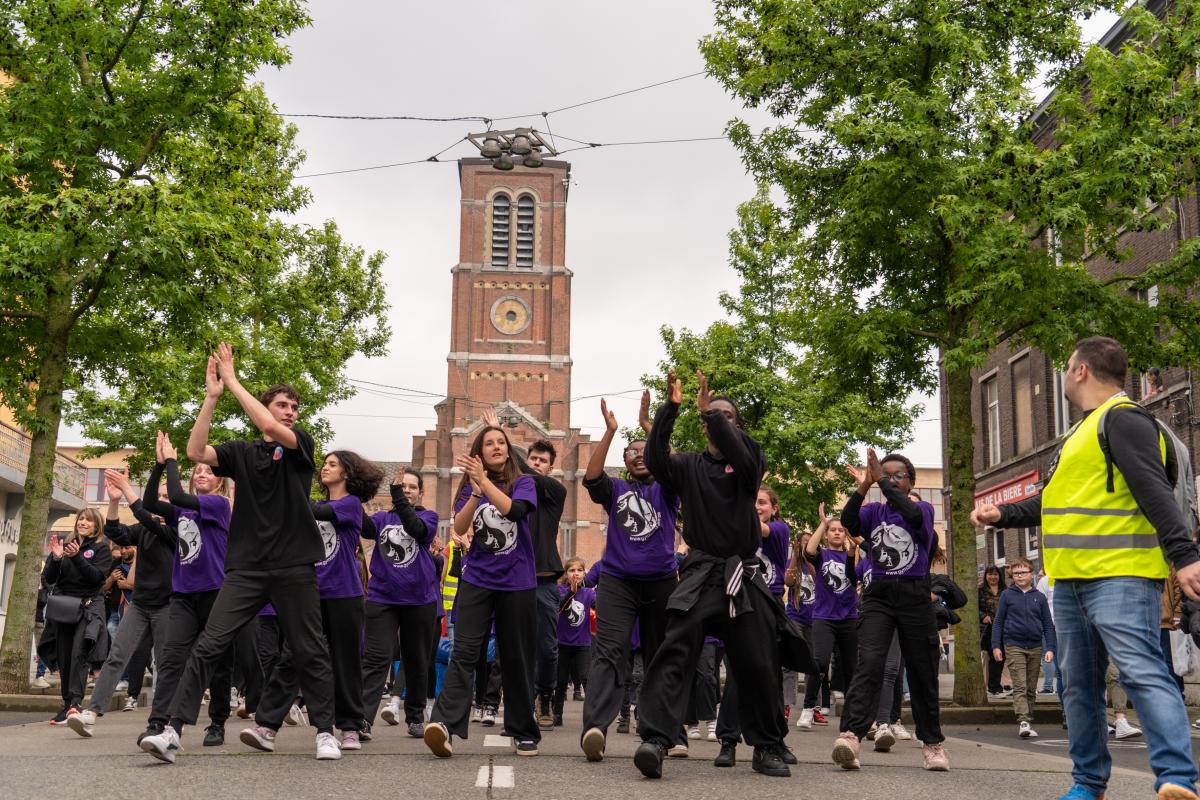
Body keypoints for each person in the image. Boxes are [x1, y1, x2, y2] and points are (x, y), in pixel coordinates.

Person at [972, 336, 1200, 800]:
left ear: (1080, 370)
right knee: (1078, 687)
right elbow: (1053, 502)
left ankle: (1177, 778)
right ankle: (1089, 784)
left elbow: (1153, 489)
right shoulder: (1080, 433)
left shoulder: (1124, 419)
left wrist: (1185, 557)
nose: (1063, 374)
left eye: (1067, 366)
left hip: (1120, 575)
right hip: (1072, 581)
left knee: (1141, 671)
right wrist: (1004, 514)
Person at [140, 343, 341, 763]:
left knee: (309, 648)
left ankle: (325, 732)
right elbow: (196, 452)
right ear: (267, 406)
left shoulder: (300, 445)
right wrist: (212, 397)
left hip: (294, 566)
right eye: (282, 405)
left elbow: (266, 423)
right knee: (209, 644)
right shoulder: (242, 452)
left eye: (294, 407)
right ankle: (173, 732)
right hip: (247, 569)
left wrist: (232, 380)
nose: (290, 412)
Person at [634, 370, 796, 780]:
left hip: (742, 575)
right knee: (674, 652)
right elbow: (657, 461)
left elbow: (742, 456)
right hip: (701, 573)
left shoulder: (749, 461)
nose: (717, 419)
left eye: (726, 416)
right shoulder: (689, 465)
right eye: (711, 415)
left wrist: (711, 413)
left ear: (736, 426)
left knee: (758, 661)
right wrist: (670, 410)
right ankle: (657, 739)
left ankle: (766, 745)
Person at [243, 450, 382, 752]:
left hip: (344, 594)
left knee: (346, 662)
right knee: (292, 657)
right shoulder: (315, 505)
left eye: (332, 464)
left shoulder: (351, 504)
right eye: (324, 464)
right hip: (308, 595)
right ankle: (266, 726)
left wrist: (288, 487)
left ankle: (350, 728)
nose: (325, 468)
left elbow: (314, 511)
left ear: (347, 473)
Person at [423, 423, 541, 757]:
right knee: (463, 653)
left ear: (508, 449)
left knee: (515, 657)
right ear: (479, 452)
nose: (496, 447)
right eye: (489, 443)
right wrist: (475, 491)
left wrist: (485, 483)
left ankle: (523, 730)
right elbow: (460, 527)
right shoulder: (470, 487)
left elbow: (514, 511)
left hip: (517, 581)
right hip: (477, 579)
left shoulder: (524, 482)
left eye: (501, 442)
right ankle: (444, 725)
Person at [578, 394, 681, 763]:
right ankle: (595, 728)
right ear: (623, 461)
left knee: (657, 656)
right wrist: (609, 432)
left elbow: (675, 464)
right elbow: (591, 477)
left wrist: (651, 429)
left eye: (644, 451)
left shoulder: (667, 488)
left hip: (660, 582)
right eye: (631, 452)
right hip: (617, 582)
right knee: (608, 652)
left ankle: (655, 736)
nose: (638, 455)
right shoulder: (617, 490)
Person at [834, 448, 949, 772]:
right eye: (886, 475)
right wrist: (863, 485)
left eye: (899, 475)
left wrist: (880, 480)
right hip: (879, 598)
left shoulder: (923, 509)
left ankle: (932, 744)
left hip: (915, 597)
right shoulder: (874, 512)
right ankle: (851, 736)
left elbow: (912, 516)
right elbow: (848, 521)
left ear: (911, 481)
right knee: (869, 663)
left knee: (923, 670)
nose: (892, 480)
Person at [138, 431, 235, 748]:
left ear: (219, 480)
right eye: (198, 471)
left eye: (209, 471)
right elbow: (150, 503)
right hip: (183, 595)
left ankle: (217, 723)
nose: (202, 474)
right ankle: (157, 722)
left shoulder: (219, 504)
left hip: (215, 593)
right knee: (171, 658)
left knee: (218, 662)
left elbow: (177, 496)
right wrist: (159, 465)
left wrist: (172, 461)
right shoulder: (182, 510)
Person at [67, 469, 176, 738]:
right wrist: (115, 501)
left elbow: (146, 518)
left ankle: (164, 722)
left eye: (166, 496)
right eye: (159, 495)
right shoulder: (145, 527)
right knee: (117, 656)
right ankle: (91, 713)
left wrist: (128, 490)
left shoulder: (177, 527)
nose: (161, 500)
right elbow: (116, 531)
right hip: (140, 604)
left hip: (168, 605)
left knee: (165, 662)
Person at [360, 465, 439, 739]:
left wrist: (396, 496)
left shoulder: (429, 517)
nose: (406, 491)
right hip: (383, 598)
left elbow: (416, 529)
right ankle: (362, 720)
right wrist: (354, 495)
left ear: (421, 493)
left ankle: (415, 717)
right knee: (375, 659)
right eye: (402, 486)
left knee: (416, 660)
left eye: (412, 487)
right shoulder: (382, 518)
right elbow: (363, 526)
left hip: (419, 600)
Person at [38, 509, 112, 725]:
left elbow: (96, 578)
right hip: (65, 607)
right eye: (81, 519)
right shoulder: (66, 544)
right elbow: (48, 578)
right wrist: (56, 558)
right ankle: (66, 705)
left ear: (97, 526)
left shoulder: (100, 548)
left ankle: (75, 704)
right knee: (64, 655)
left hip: (89, 607)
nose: (83, 522)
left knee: (79, 653)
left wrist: (77, 557)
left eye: (88, 520)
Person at [796, 503, 858, 733]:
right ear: (827, 534)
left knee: (851, 667)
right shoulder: (822, 555)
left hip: (849, 617)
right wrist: (822, 524)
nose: (837, 533)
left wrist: (853, 545)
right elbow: (808, 551)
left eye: (840, 530)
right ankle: (808, 708)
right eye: (833, 530)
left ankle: (852, 716)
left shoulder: (852, 554)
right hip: (824, 617)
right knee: (819, 662)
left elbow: (856, 576)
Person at [990, 556, 1055, 738]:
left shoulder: (1039, 597)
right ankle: (1023, 721)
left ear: (1031, 574)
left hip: (1035, 646)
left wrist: (1050, 648)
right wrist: (996, 646)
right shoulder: (1007, 595)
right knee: (1020, 684)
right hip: (1014, 645)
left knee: (1031, 686)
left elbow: (1047, 624)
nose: (1019, 576)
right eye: (1016, 573)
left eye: (1023, 572)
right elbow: (998, 622)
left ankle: (1029, 719)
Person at [554, 557, 595, 725]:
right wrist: (571, 592)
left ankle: (592, 717)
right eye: (572, 570)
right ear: (566, 574)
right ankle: (557, 714)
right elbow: (559, 607)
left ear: (584, 573)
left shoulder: (589, 593)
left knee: (587, 679)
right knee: (560, 680)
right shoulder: (560, 590)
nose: (575, 574)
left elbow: (600, 606)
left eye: (579, 570)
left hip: (582, 644)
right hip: (562, 643)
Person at [979, 566, 1007, 696]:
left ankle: (997, 685)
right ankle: (993, 686)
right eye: (990, 574)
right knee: (993, 656)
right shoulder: (980, 590)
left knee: (1001, 656)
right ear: (985, 576)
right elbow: (974, 607)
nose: (993, 577)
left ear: (999, 576)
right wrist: (983, 616)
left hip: (1004, 628)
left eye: (995, 574)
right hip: (987, 628)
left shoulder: (1005, 590)